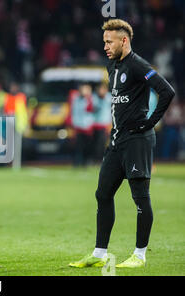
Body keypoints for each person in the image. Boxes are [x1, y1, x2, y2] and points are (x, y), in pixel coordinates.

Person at [69, 19, 175, 268]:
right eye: (104, 41)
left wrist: (149, 123)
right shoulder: (112, 66)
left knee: (140, 197)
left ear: (124, 40)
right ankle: (99, 253)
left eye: (109, 41)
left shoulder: (138, 65)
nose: (105, 46)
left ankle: (139, 255)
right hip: (117, 141)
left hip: (138, 140)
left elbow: (166, 91)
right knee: (103, 193)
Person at [70, 83, 94, 167]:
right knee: (78, 146)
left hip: (87, 126)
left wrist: (88, 97)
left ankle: (87, 161)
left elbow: (91, 109)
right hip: (78, 126)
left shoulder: (91, 99)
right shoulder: (75, 99)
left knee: (87, 146)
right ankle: (77, 162)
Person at [91, 83, 112, 162]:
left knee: (103, 143)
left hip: (106, 124)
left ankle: (102, 159)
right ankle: (95, 159)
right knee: (95, 143)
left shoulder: (109, 98)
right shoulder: (94, 98)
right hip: (95, 124)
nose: (101, 91)